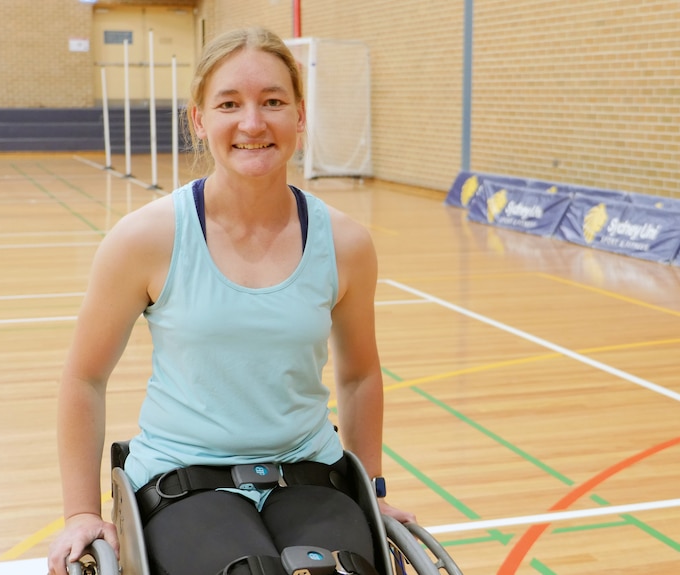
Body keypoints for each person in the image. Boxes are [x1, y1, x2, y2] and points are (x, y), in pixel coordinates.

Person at [47, 26, 414, 575]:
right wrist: (81, 511)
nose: (253, 123)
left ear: (299, 115)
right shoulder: (145, 239)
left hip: (309, 473)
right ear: (199, 119)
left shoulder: (346, 243)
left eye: (272, 102)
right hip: (184, 480)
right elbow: (84, 378)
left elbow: (360, 376)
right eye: (229, 104)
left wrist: (374, 491)